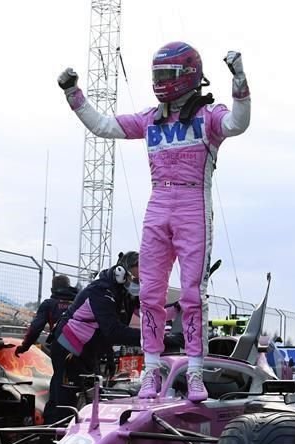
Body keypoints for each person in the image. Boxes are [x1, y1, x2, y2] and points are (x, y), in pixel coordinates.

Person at [59, 43, 251, 402]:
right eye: (156, 75)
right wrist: (73, 93)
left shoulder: (209, 115)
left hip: (193, 203)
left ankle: (195, 373)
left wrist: (240, 80)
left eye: (167, 75)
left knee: (192, 294)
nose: (160, 82)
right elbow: (103, 126)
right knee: (149, 293)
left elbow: (238, 123)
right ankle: (151, 369)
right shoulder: (151, 119)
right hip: (158, 204)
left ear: (187, 75)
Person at [44, 252, 182, 423]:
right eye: (137, 280)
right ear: (121, 272)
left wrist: (179, 307)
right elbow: (114, 331)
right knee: (64, 398)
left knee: (87, 395)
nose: (139, 284)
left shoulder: (124, 293)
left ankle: (70, 431)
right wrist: (162, 339)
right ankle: (51, 438)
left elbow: (153, 313)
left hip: (88, 349)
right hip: (68, 347)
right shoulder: (100, 291)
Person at [15, 274, 79, 356]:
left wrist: (24, 347)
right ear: (69, 287)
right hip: (85, 346)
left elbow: (35, 328)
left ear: (52, 290)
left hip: (61, 347)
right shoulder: (80, 301)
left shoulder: (49, 304)